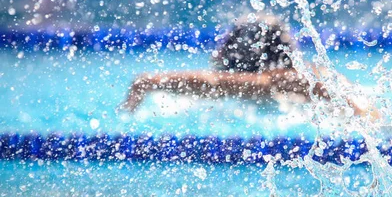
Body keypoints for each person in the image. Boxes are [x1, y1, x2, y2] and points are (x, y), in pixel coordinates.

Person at [121, 14, 372, 116]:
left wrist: (150, 82)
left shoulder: (279, 79)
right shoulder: (313, 72)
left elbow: (218, 83)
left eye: (227, 42)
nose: (218, 51)